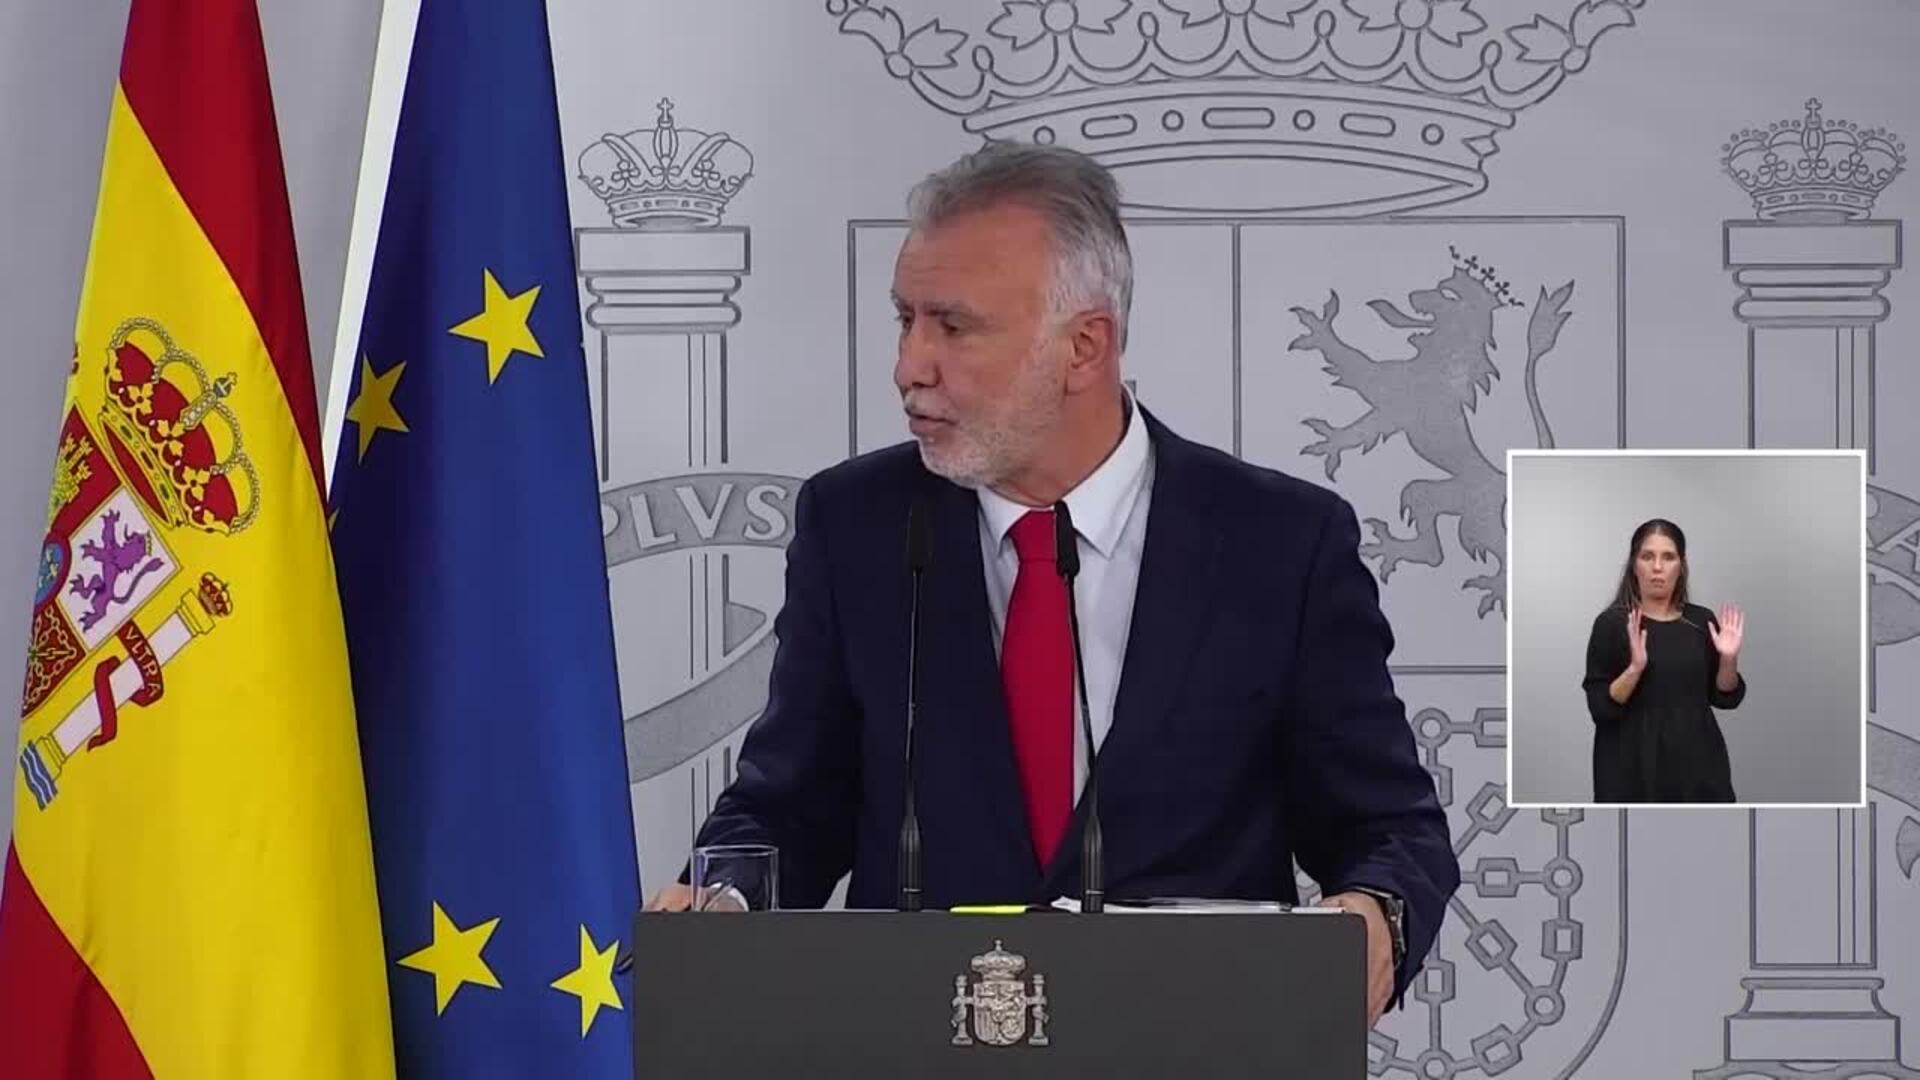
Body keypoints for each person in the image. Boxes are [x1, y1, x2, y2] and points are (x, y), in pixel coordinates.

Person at [645, 142, 1457, 1024]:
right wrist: (726, 901)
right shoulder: (856, 526)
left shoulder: (1280, 542)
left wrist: (1376, 918)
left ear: (1084, 346)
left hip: (1190, 1040)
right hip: (919, 1042)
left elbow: (1387, 828)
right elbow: (790, 805)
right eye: (905, 319)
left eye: (953, 327)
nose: (910, 365)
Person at [1583, 518, 1748, 802]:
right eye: (1647, 556)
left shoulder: (1701, 621)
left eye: (1668, 557)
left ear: (1681, 566)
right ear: (1634, 565)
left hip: (1698, 768)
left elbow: (1724, 697)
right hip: (1632, 770)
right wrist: (1635, 669)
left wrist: (1728, 658)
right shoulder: (1612, 624)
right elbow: (1600, 708)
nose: (1657, 567)